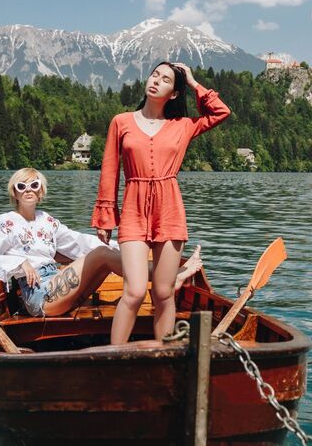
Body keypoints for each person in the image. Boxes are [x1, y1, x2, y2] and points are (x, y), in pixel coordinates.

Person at [92, 62, 231, 344]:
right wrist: (106, 217)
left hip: (169, 211)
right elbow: (110, 170)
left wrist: (192, 82)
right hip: (133, 210)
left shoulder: (183, 126)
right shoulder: (121, 121)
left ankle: (163, 354)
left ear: (174, 93)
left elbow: (220, 112)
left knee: (164, 292)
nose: (156, 81)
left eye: (165, 79)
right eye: (154, 75)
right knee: (134, 292)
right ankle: (114, 355)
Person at [0, 168, 201, 318]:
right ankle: (169, 276)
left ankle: (165, 276)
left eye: (33, 185)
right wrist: (19, 263)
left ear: (41, 190)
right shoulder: (5, 222)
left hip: (59, 287)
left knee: (102, 256)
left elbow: (79, 242)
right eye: (21, 187)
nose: (28, 191)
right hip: (39, 296)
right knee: (101, 254)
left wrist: (126, 248)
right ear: (14, 192)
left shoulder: (47, 221)